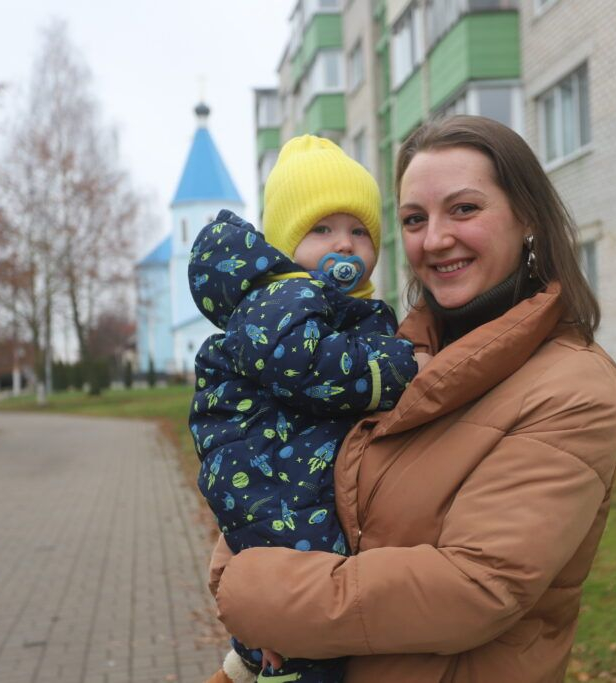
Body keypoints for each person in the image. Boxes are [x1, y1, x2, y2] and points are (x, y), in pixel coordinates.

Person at [206, 115, 616, 683]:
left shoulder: (572, 387)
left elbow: (475, 588)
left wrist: (256, 592)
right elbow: (287, 477)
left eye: (464, 209)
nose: (434, 239)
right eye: (413, 219)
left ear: (527, 216)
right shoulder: (387, 357)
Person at [188, 135, 420, 683]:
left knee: (305, 580)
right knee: (303, 596)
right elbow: (310, 367)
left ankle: (263, 652)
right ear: (287, 244)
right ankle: (280, 653)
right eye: (322, 229)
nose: (345, 244)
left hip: (291, 469)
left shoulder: (341, 306)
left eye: (359, 230)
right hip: (265, 470)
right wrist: (398, 368)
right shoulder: (281, 297)